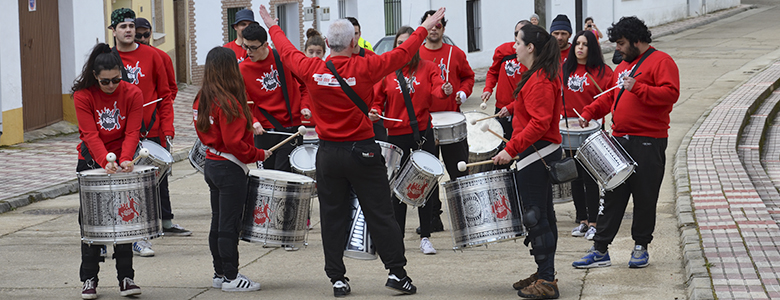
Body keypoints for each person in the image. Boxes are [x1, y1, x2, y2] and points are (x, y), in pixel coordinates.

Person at [258, 4, 446, 297]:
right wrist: (425, 27)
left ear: (327, 44)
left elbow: (284, 50)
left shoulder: (311, 68)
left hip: (329, 154)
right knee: (381, 214)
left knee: (332, 217)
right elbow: (403, 54)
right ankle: (397, 273)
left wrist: (272, 24)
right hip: (363, 152)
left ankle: (337, 279)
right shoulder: (365, 67)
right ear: (353, 43)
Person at [571, 16, 680, 269]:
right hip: (618, 141)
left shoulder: (662, 61)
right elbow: (610, 98)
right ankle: (600, 250)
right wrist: (588, 112)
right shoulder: (622, 67)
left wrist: (639, 87)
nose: (617, 49)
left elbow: (670, 94)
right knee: (610, 195)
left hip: (648, 142)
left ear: (637, 40)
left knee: (644, 197)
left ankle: (641, 246)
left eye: (621, 43)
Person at [493, 24, 562, 299]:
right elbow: (534, 111)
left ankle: (547, 280)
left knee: (536, 217)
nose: (514, 47)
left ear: (530, 47)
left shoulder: (541, 79)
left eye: (518, 42)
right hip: (536, 152)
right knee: (543, 216)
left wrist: (511, 149)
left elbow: (540, 122)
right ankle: (545, 272)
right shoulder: (536, 75)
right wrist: (511, 109)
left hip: (537, 153)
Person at [194, 46, 271, 292]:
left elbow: (206, 133)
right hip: (229, 168)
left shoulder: (202, 97)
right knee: (229, 224)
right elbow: (235, 143)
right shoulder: (229, 102)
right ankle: (231, 277)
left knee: (218, 222)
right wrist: (259, 153)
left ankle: (219, 273)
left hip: (212, 164)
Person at [371, 26, 453, 255]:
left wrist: (446, 90)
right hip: (396, 136)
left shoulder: (428, 67)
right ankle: (397, 236)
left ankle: (425, 236)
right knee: (398, 189)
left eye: (408, 42)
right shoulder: (387, 72)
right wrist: (375, 111)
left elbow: (438, 90)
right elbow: (377, 100)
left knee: (423, 187)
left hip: (422, 135)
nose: (404, 46)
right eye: (400, 43)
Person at [73, 43, 145, 299]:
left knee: (124, 219)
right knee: (91, 221)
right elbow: (90, 134)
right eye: (105, 82)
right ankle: (89, 278)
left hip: (121, 162)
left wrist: (125, 159)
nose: (112, 85)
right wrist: (105, 161)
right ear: (95, 77)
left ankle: (126, 277)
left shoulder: (133, 93)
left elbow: (132, 131)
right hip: (92, 162)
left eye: (116, 79)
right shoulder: (83, 96)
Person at [109, 8, 174, 257]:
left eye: (131, 26)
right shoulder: (108, 57)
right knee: (121, 187)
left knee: (147, 188)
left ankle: (141, 237)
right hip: (120, 134)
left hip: (151, 131)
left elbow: (165, 95)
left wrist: (167, 128)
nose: (128, 30)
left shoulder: (152, 55)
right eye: (123, 27)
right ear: (113, 31)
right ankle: (116, 235)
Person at [134, 17, 192, 238]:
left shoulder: (160, 57)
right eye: (137, 34)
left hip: (154, 127)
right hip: (129, 129)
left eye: (144, 34)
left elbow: (170, 90)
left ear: (150, 34)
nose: (141, 38)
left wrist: (158, 114)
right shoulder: (115, 58)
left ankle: (166, 221)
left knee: (161, 177)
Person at [417, 10, 474, 232]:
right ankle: (432, 219)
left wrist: (462, 93)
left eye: (438, 25)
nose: (434, 28)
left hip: (451, 122)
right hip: (425, 123)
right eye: (430, 24)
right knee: (428, 174)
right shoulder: (416, 55)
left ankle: (465, 217)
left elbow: (469, 77)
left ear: (443, 28)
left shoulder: (455, 54)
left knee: (458, 170)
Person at [560, 30, 613, 240]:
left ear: (592, 48)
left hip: (592, 131)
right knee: (574, 176)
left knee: (591, 177)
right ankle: (581, 219)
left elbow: (610, 98)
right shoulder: (565, 69)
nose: (580, 48)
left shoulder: (602, 71)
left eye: (585, 44)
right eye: (577, 44)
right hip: (569, 131)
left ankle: (594, 222)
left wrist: (591, 113)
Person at [239, 23, 303, 172]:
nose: (248, 52)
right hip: (263, 131)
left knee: (284, 177)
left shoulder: (282, 59)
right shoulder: (242, 69)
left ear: (265, 45)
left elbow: (306, 84)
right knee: (265, 179)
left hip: (289, 129)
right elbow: (241, 102)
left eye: (253, 48)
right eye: (245, 46)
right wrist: (252, 121)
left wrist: (304, 106)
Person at [482, 20, 531, 146]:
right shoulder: (502, 50)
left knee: (520, 146)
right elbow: (493, 72)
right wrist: (488, 88)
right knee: (499, 145)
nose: (518, 36)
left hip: (523, 109)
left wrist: (513, 107)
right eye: (516, 33)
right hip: (501, 108)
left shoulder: (532, 57)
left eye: (523, 33)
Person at [300, 28, 326, 126]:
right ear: (305, 51)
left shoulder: (328, 71)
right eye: (311, 52)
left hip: (322, 123)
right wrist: (305, 107)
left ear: (324, 53)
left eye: (318, 52)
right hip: (303, 122)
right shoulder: (299, 70)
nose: (314, 56)